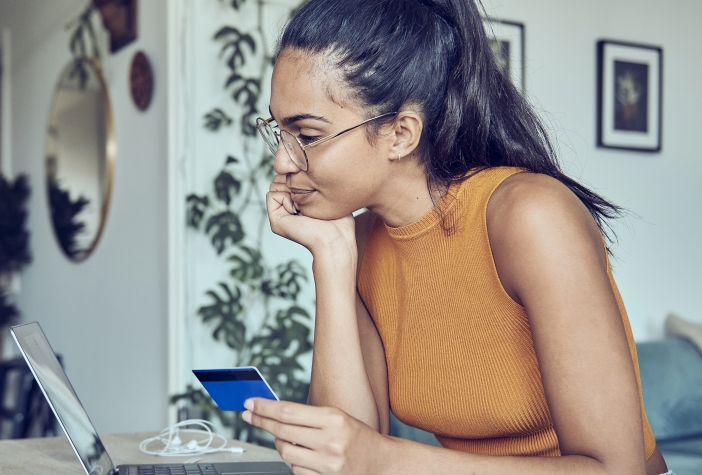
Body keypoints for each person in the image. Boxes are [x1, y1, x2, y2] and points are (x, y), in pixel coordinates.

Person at [242, 0, 671, 474]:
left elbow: (616, 470)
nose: (283, 162)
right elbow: (342, 456)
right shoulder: (360, 241)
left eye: (306, 135)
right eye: (278, 132)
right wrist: (330, 256)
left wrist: (387, 460)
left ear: (401, 134)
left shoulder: (530, 216)